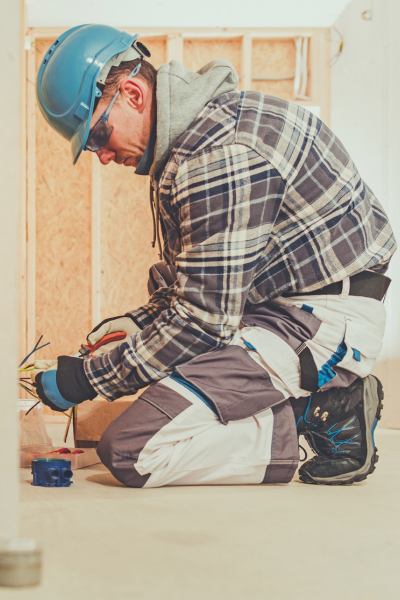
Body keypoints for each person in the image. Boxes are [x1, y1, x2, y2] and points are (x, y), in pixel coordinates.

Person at [32, 24, 396, 487]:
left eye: (98, 134)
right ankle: (306, 407)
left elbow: (202, 322)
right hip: (276, 306)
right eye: (89, 146)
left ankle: (321, 413)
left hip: (318, 320)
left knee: (132, 452)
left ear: (132, 94)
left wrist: (84, 381)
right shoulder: (196, 140)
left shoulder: (217, 157)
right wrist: (138, 322)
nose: (100, 155)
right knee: (162, 354)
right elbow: (203, 284)